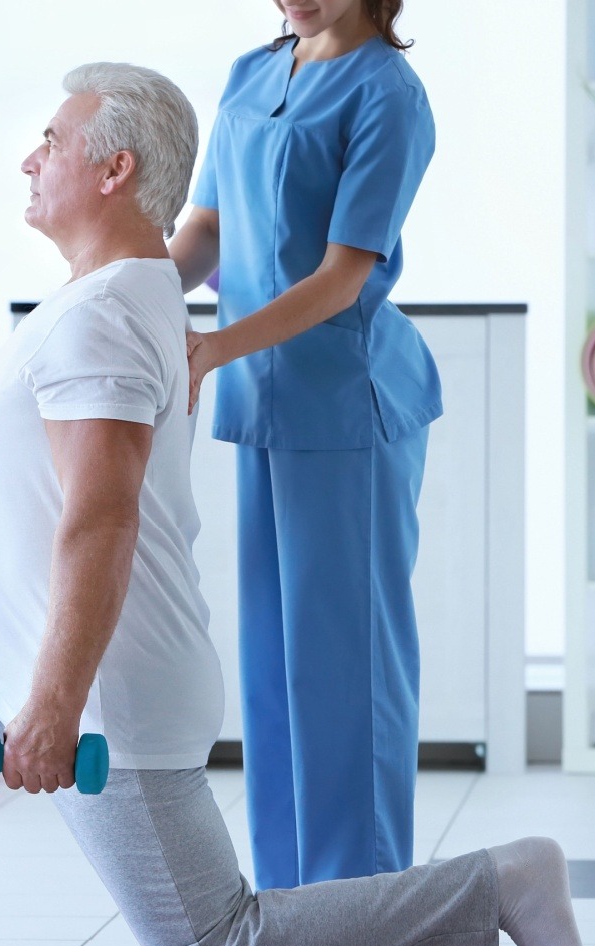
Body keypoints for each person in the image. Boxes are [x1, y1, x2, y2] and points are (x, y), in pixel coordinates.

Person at [0, 62, 583, 946]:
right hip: (2, 640)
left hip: (101, 684)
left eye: (53, 140)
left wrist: (54, 704)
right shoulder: (114, 294)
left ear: (115, 170)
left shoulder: (108, 319)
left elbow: (101, 519)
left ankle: (504, 886)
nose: (31, 159)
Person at [168, 0, 439, 891]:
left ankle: (361, 905)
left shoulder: (388, 96)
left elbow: (339, 277)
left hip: (345, 409)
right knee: (277, 671)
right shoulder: (253, 73)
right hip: (262, 405)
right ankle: (291, 906)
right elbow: (206, 231)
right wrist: (123, 295)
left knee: (348, 670)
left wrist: (213, 346)